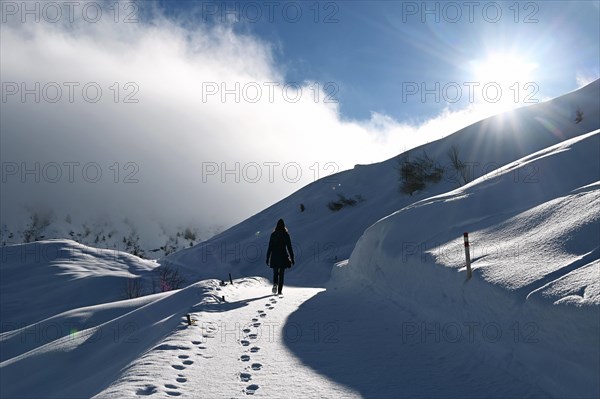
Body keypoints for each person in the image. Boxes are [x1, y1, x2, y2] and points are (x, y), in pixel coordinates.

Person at [266, 218, 295, 295]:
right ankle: (279, 291)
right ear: (284, 226)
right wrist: (292, 258)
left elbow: (270, 247)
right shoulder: (286, 235)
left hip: (274, 256)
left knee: (275, 273)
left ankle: (275, 284)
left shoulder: (273, 235)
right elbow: (289, 247)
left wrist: (267, 257)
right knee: (281, 275)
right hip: (283, 256)